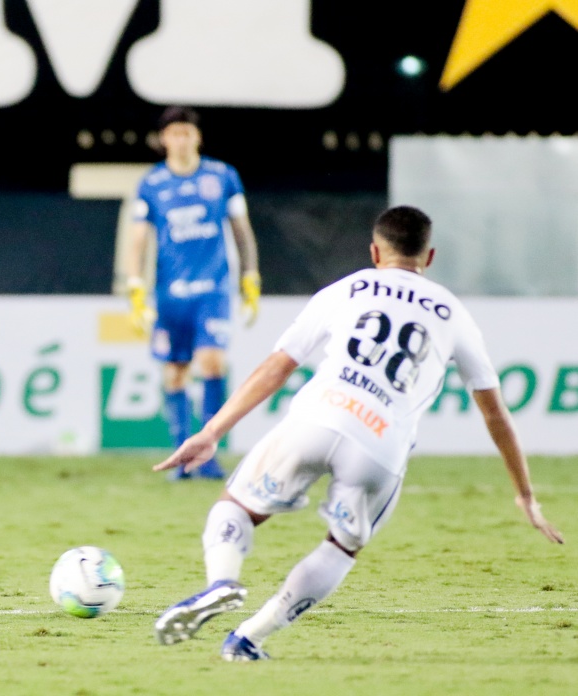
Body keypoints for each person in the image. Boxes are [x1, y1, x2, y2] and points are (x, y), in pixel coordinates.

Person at [152, 205, 564, 660]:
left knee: (238, 507)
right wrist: (525, 494)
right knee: (341, 547)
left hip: (317, 416)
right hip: (381, 445)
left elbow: (276, 368)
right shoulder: (454, 313)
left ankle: (221, 582)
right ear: (429, 257)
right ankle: (249, 638)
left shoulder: (346, 288)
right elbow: (495, 414)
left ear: (374, 251)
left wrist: (211, 431)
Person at [125, 105, 261, 481]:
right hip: (169, 294)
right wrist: (134, 284)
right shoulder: (152, 184)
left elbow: (241, 228)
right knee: (174, 374)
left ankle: (209, 454)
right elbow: (138, 238)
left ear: (197, 137)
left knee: (213, 363)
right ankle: (182, 456)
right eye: (174, 133)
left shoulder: (222, 176)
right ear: (164, 139)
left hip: (213, 289)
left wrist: (250, 275)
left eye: (187, 132)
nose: (181, 139)